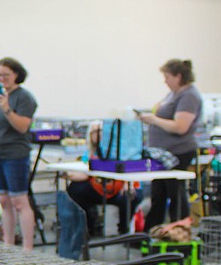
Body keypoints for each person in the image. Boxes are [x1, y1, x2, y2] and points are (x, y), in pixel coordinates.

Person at [138, 58, 202, 228]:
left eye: (167, 77)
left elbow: (181, 127)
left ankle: (179, 232)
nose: (165, 81)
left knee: (176, 194)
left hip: (178, 153)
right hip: (162, 153)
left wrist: (154, 120)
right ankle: (152, 231)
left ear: (178, 76)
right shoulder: (173, 94)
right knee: (158, 194)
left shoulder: (189, 96)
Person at [0, 57, 38, 251]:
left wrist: (7, 109)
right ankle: (8, 242)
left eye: (6, 75)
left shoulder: (24, 97)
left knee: (19, 200)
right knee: (3, 200)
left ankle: (27, 247)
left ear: (16, 75)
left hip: (15, 154)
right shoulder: (0, 97)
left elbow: (22, 126)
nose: (2, 79)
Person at [65, 121, 133, 237]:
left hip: (115, 189)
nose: (97, 135)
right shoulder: (88, 154)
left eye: (100, 132)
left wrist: (127, 184)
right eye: (94, 132)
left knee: (131, 196)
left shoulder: (115, 152)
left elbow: (127, 169)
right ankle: (89, 225)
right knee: (74, 189)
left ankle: (124, 232)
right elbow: (86, 174)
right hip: (96, 188)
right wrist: (69, 176)